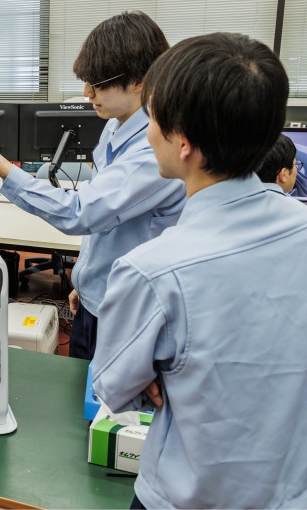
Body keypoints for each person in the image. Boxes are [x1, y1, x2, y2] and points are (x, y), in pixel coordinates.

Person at [92, 33, 307, 509]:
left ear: (184, 143)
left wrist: (158, 373)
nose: (148, 133)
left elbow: (114, 388)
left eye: (153, 119)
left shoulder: (152, 272)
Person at [0, 12, 186, 360]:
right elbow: (106, 223)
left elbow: (81, 212)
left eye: (97, 84)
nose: (87, 93)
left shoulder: (154, 149)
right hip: (97, 298)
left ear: (139, 81)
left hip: (130, 313)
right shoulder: (115, 126)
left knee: (107, 395)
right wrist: (85, 281)